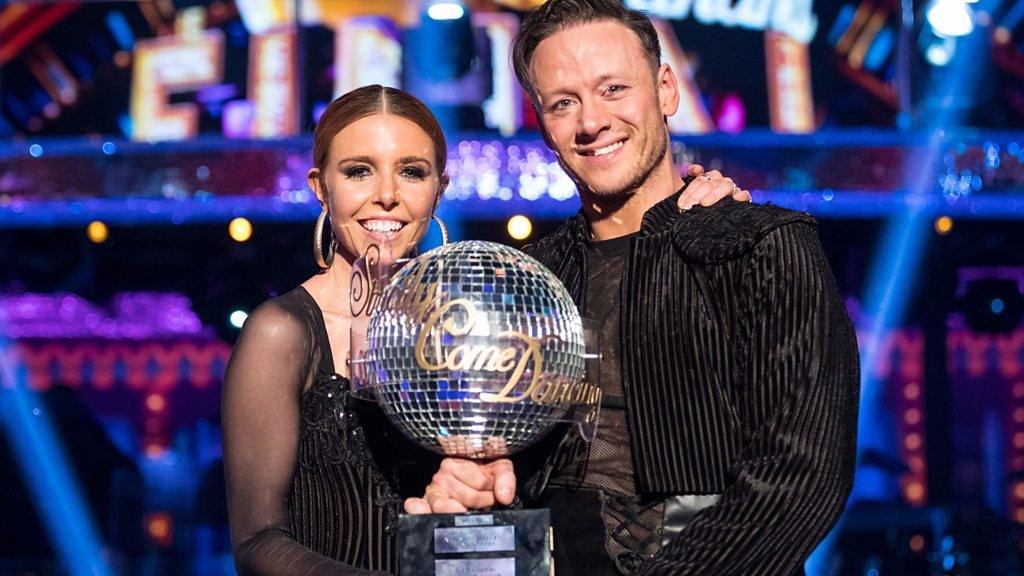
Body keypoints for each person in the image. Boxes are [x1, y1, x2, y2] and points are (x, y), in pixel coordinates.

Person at [407, 1, 861, 575]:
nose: (590, 121)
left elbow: (803, 477)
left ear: (666, 90)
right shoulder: (523, 280)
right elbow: (500, 504)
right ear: (542, 123)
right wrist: (462, 514)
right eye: (563, 103)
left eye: (614, 88)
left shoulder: (763, 247)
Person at [222, 84, 747, 575]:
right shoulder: (284, 332)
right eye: (359, 171)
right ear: (321, 187)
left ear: (439, 189)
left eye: (412, 172)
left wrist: (687, 207)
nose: (387, 195)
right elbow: (257, 542)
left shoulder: (471, 324)